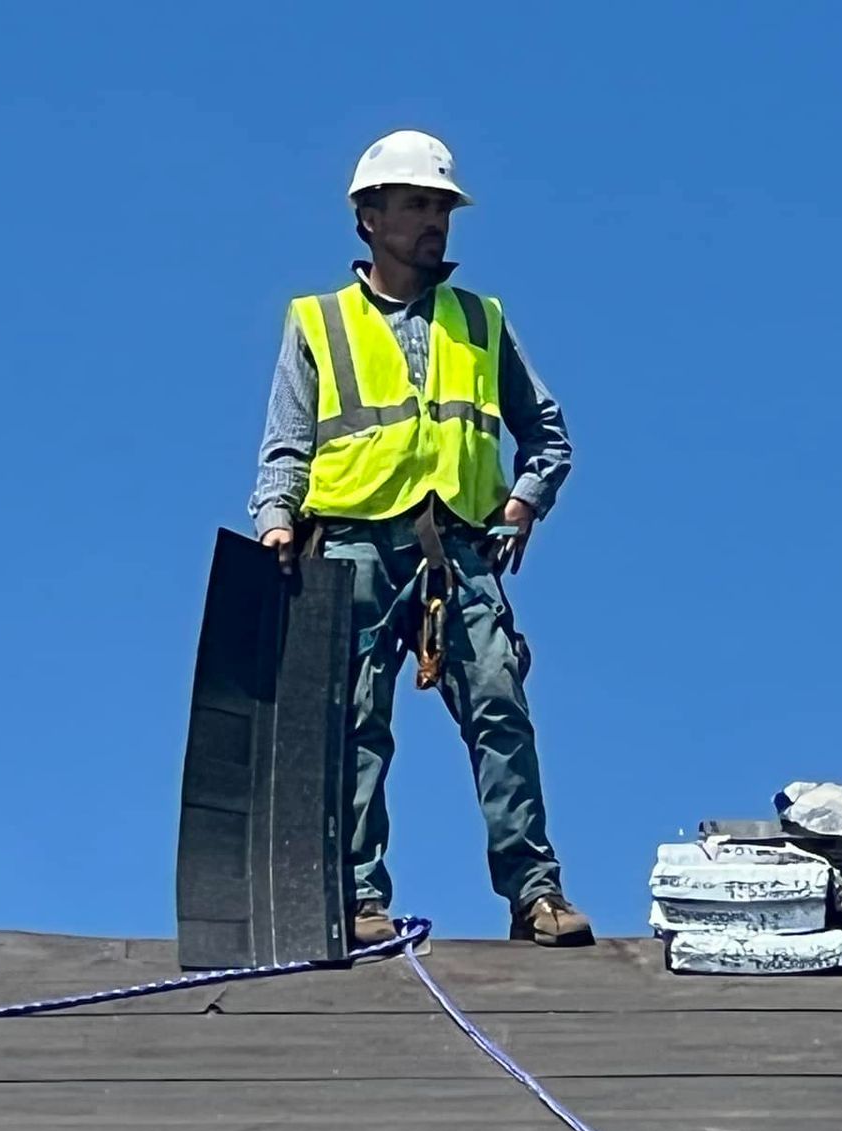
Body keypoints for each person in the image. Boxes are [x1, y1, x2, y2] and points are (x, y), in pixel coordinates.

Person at [250, 130, 592, 948]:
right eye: (415, 205)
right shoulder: (318, 323)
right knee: (355, 725)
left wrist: (524, 503)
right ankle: (358, 900)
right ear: (368, 218)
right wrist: (275, 525)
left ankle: (535, 894)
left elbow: (547, 432)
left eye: (441, 206)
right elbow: (287, 444)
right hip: (352, 550)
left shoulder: (481, 321)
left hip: (458, 552)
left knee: (500, 708)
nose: (433, 221)